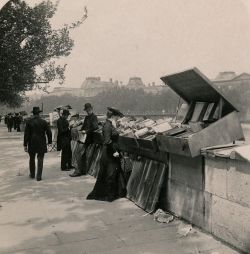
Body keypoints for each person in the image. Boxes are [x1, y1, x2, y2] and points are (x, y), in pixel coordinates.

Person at [87, 107, 127, 202]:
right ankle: (109, 195)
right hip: (109, 153)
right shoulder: (107, 126)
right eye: (117, 117)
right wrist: (115, 152)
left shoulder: (109, 125)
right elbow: (107, 141)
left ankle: (114, 193)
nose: (117, 119)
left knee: (111, 173)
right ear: (112, 116)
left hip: (109, 152)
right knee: (110, 174)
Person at [70, 103, 99, 177]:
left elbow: (95, 127)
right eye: (86, 110)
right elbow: (84, 126)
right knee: (80, 154)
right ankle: (82, 170)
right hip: (83, 137)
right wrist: (80, 130)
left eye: (88, 109)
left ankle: (78, 171)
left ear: (91, 109)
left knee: (78, 153)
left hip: (88, 138)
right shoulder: (86, 117)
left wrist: (86, 131)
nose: (87, 111)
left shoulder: (94, 117)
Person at [24, 107, 52, 181]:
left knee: (32, 158)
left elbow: (26, 134)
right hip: (41, 141)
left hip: (32, 142)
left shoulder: (29, 122)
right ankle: (39, 176)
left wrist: (25, 144)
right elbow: (49, 132)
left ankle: (32, 174)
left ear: (33, 113)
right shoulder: (44, 122)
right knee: (40, 158)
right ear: (39, 113)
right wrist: (49, 142)